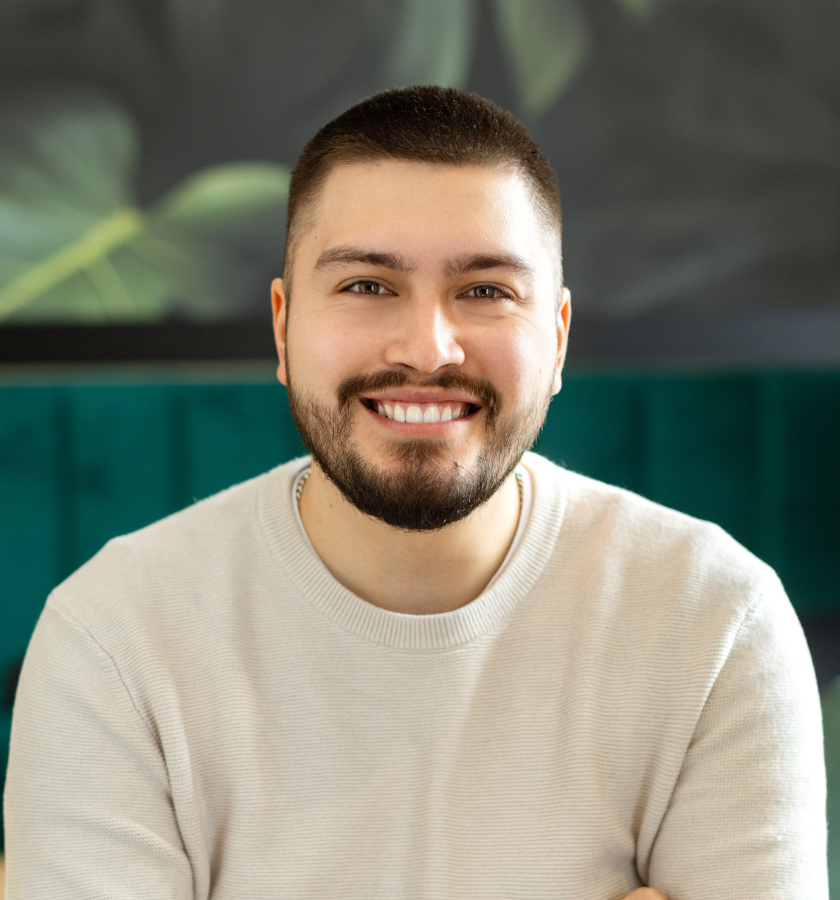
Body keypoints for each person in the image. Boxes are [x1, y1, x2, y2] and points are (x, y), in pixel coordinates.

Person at [4, 86, 826, 899]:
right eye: (368, 285)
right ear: (283, 327)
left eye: (486, 291)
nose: (428, 350)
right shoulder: (114, 639)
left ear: (558, 339)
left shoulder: (717, 623)